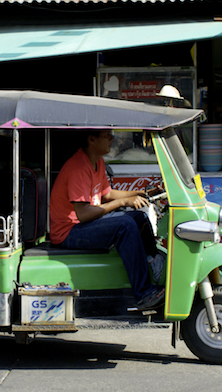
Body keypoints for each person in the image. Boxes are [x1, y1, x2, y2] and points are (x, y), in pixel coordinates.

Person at [49, 130, 164, 310]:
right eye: (107, 135)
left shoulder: (97, 162)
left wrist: (142, 193)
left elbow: (107, 194)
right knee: (125, 224)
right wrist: (124, 201)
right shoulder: (78, 167)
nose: (112, 139)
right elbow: (83, 214)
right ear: (91, 139)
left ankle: (154, 262)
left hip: (84, 224)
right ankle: (144, 294)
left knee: (139, 217)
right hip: (68, 232)